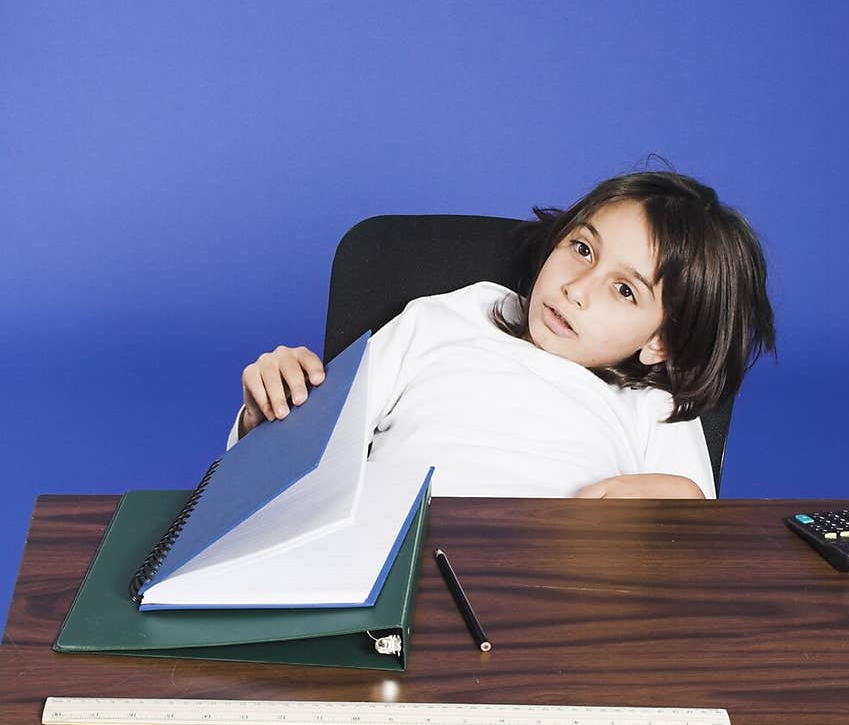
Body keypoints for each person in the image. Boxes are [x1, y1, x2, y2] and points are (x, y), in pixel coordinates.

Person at [227, 169, 776, 500]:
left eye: (625, 290)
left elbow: (692, 527)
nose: (577, 288)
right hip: (387, 559)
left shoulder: (655, 405)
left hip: (549, 588)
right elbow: (302, 459)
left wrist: (672, 510)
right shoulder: (443, 318)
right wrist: (267, 415)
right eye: (582, 249)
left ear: (660, 342)